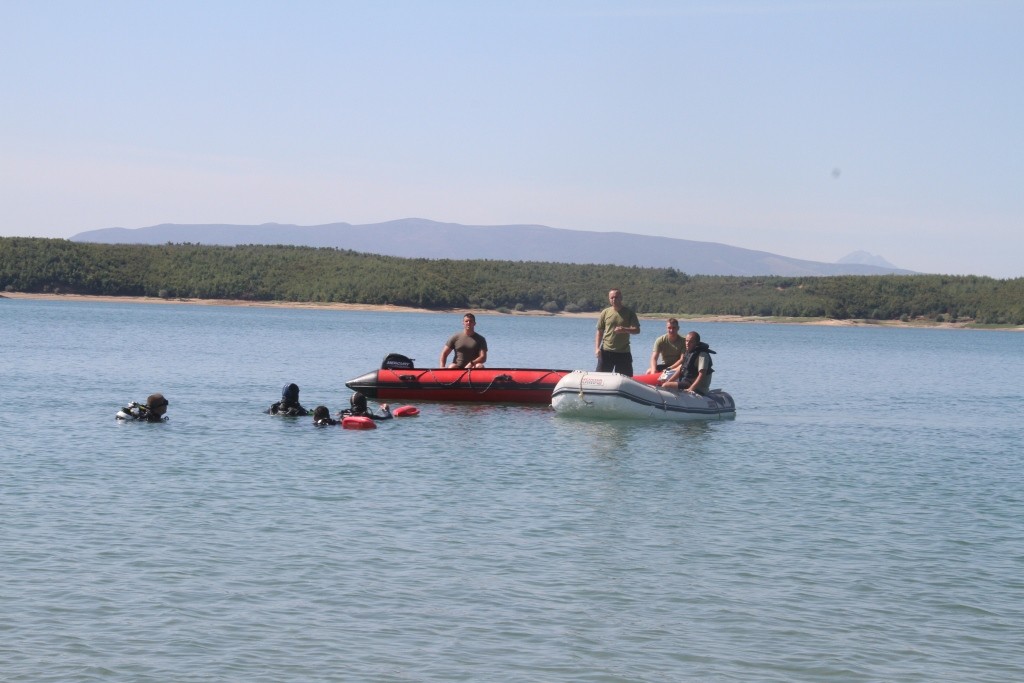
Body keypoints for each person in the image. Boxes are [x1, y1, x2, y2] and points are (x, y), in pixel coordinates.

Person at [595, 288, 640, 375]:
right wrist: (597, 348)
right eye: (611, 298)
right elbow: (599, 331)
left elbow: (637, 330)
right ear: (609, 299)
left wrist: (625, 330)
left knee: (627, 380)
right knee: (600, 378)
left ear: (621, 298)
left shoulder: (629, 313)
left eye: (616, 297)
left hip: (623, 352)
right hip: (606, 352)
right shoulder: (605, 312)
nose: (614, 299)